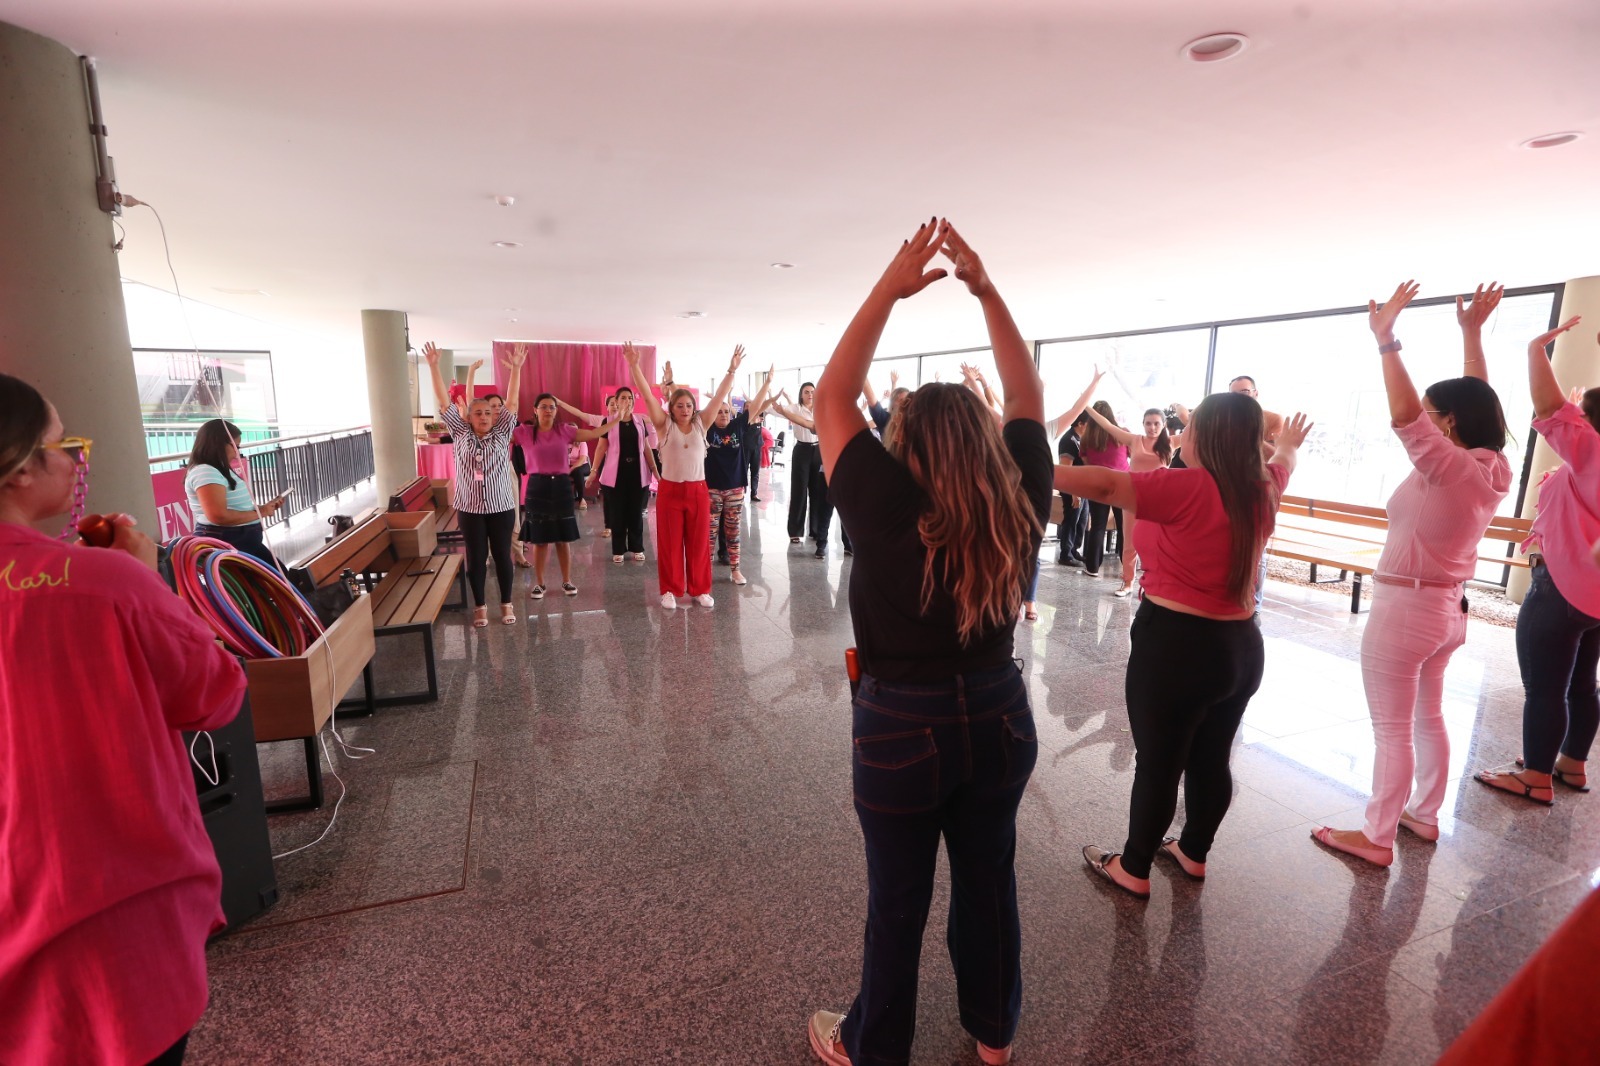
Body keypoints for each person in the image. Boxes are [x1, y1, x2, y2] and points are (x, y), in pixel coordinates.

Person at [807, 219, 1051, 1066]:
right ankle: (994, 1034)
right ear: (987, 444)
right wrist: (985, 290)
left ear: (904, 447)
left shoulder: (881, 504)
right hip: (999, 711)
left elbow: (831, 399)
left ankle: (873, 1048)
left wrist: (889, 287)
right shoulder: (1017, 499)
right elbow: (1027, 400)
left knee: (897, 904)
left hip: (900, 723)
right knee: (988, 879)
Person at [0, 372, 248, 1066]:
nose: (76, 459)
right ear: (21, 468)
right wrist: (148, 579)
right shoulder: (105, 582)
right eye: (62, 443)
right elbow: (214, 693)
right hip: (110, 915)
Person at [1058, 390, 1312, 897]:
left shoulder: (1187, 487)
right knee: (1211, 758)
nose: (1180, 434)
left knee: (1159, 763)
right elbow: (1283, 460)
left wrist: (1010, 463)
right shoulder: (1262, 487)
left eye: (1189, 427)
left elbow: (1107, 484)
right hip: (1241, 647)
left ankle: (1132, 868)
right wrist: (1287, 444)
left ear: (1207, 437)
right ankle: (1193, 852)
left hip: (1177, 647)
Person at [1311, 282, 1512, 866]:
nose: (1423, 419)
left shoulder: (1449, 467)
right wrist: (1471, 336)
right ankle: (1422, 815)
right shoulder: (1490, 465)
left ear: (1447, 423)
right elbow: (1477, 401)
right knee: (1426, 716)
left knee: (1392, 728)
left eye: (1434, 414)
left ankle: (1376, 837)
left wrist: (1386, 341)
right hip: (1447, 611)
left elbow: (1406, 419)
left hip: (1408, 610)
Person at [1477, 314, 1596, 805]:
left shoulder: (1591, 451)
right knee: (1582, 683)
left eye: (1582, 411)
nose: (1575, 416)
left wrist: (1534, 350)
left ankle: (1536, 776)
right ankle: (1571, 763)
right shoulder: (1586, 457)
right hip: (1594, 597)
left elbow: (1548, 408)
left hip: (1562, 590)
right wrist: (1576, 412)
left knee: (1544, 689)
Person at [627, 342, 741, 608]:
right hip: (671, 492)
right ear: (671, 407)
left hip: (699, 491)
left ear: (694, 407)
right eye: (679, 405)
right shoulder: (664, 425)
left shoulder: (702, 424)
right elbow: (645, 393)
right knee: (669, 544)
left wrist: (731, 371)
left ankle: (700, 589)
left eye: (689, 405)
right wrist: (634, 366)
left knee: (700, 543)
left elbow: (720, 394)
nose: (685, 409)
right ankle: (670, 589)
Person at [424, 341, 524, 627]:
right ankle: (480, 605)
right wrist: (433, 366)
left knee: (503, 556)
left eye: (488, 413)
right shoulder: (460, 433)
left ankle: (506, 602)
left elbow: (513, 403)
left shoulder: (503, 432)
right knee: (477, 558)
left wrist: (516, 370)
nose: (483, 417)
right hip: (469, 508)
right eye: (478, 413)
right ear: (468, 417)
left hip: (501, 506)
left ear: (495, 417)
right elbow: (444, 403)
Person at [512, 393, 617, 600]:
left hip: (561, 486)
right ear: (535, 410)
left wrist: (616, 420)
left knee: (563, 538)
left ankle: (567, 580)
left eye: (552, 407)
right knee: (540, 540)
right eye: (543, 407)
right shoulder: (525, 432)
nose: (548, 410)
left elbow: (595, 433)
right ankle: (540, 583)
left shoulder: (565, 431)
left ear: (556, 410)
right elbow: (496, 436)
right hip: (537, 486)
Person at [1081, 405, 1176, 597]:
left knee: (1157, 541)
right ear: (1143, 424)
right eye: (1148, 423)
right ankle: (1128, 582)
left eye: (1156, 423)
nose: (1152, 427)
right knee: (1130, 542)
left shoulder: (1171, 442)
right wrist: (1086, 407)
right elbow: (1107, 425)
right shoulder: (1134, 440)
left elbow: (1196, 430)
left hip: (1158, 500)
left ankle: (1155, 581)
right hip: (1132, 498)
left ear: (1164, 424)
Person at [183, 418, 288, 567]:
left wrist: (261, 508)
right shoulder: (205, 471)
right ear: (218, 444)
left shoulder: (217, 468)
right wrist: (262, 512)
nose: (237, 453)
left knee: (281, 579)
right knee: (275, 582)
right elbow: (219, 516)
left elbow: (233, 508)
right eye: (235, 446)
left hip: (242, 541)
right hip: (228, 540)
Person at [706, 370, 774, 586]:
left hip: (735, 488)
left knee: (733, 531)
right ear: (713, 414)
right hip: (712, 489)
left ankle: (735, 570)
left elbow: (755, 406)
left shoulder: (738, 426)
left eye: (726, 411)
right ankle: (705, 571)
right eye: (719, 411)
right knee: (709, 533)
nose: (724, 415)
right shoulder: (706, 429)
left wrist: (768, 382)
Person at [593, 383, 660, 563]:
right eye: (623, 398)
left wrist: (654, 470)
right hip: (615, 474)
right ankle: (618, 549)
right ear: (616, 401)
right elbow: (601, 448)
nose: (627, 401)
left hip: (637, 473)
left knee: (636, 512)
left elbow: (646, 447)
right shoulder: (608, 422)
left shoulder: (639, 421)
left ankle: (637, 547)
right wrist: (593, 471)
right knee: (617, 512)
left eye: (630, 398)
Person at [771, 383, 828, 550]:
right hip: (801, 450)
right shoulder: (795, 408)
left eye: (812, 392)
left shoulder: (821, 408)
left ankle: (816, 530)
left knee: (818, 491)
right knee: (799, 491)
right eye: (806, 392)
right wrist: (770, 401)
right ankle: (795, 531)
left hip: (819, 449)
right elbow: (775, 410)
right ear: (801, 395)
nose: (810, 394)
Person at [1078, 400, 1130, 578]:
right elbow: (1130, 455)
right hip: (1122, 484)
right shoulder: (1122, 434)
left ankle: (1092, 568)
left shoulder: (1086, 439)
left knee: (1098, 527)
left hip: (1098, 484)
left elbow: (1087, 464)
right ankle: (1126, 568)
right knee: (1124, 527)